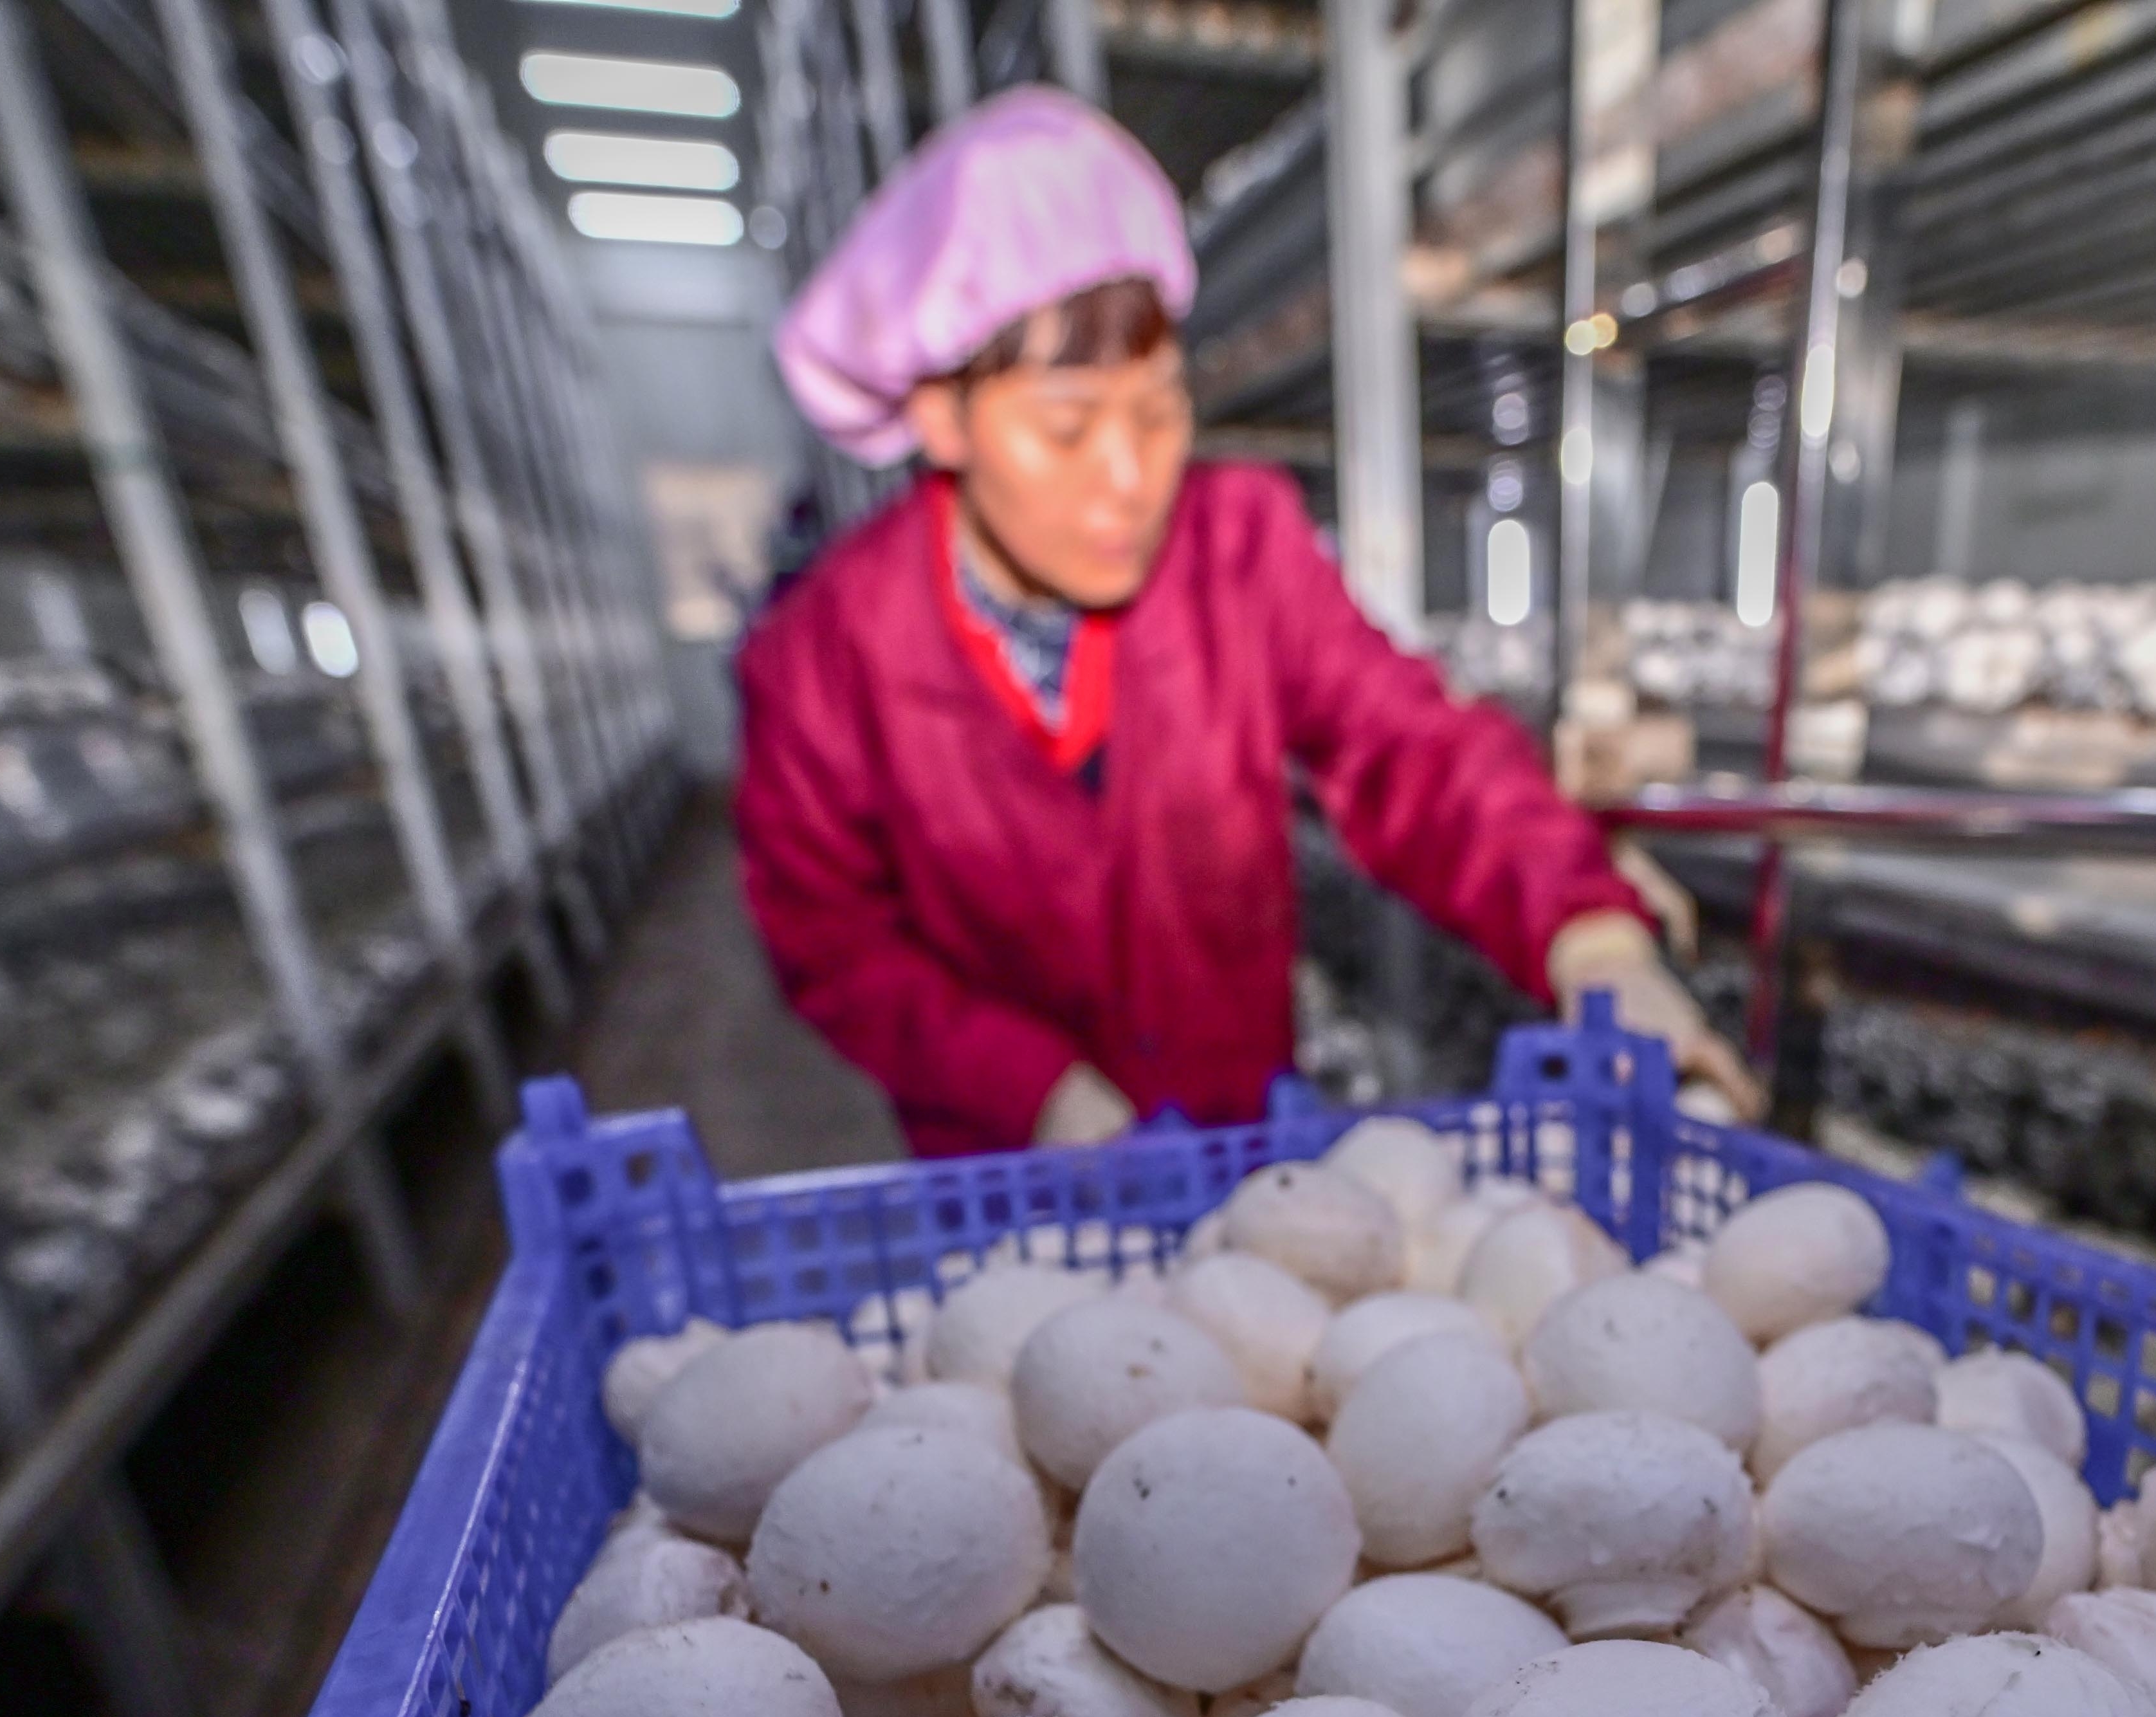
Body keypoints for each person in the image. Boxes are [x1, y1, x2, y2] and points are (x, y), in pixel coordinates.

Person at [739, 87, 1757, 1157]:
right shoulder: (824, 660)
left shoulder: (1237, 548)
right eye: (1068, 427)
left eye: (1160, 408)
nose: (1131, 477)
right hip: (1003, 1172)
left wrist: (1589, 935)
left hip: (1242, 1147)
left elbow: (1410, 747)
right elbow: (832, 942)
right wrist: (1034, 1090)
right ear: (941, 418)